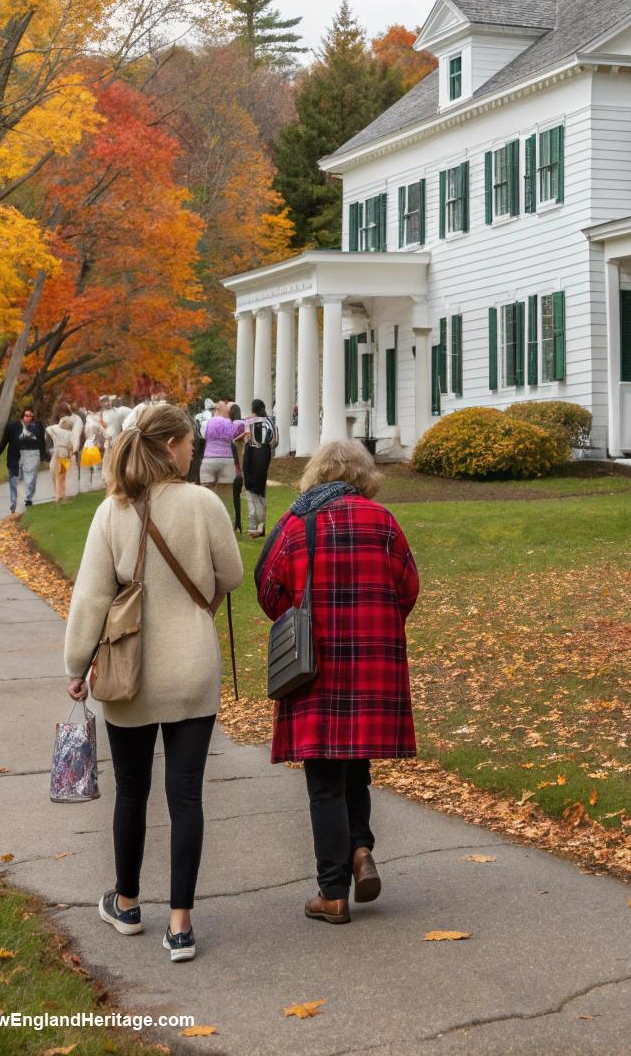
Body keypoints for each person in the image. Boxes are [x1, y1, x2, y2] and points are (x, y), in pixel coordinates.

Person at [63, 403, 243, 963]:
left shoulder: (112, 511)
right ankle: (181, 925)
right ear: (170, 447)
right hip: (192, 669)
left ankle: (127, 903)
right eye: (188, 443)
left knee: (132, 792)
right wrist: (199, 604)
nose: (193, 451)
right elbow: (232, 573)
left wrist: (77, 665)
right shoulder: (204, 504)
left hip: (130, 674)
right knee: (186, 795)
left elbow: (92, 596)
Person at [255, 440, 419, 926]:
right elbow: (407, 587)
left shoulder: (296, 523)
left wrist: (297, 615)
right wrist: (379, 621)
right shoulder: (383, 521)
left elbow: (268, 589)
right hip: (371, 658)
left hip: (315, 662)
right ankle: (360, 849)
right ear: (363, 475)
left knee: (324, 780)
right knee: (355, 767)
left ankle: (332, 894)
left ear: (316, 474)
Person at [0, 406, 45, 512]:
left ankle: (28, 499)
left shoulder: (37, 427)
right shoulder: (12, 427)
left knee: (30, 479)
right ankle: (14, 502)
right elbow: (4, 442)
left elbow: (41, 442)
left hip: (31, 457)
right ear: (22, 416)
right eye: (26, 415)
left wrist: (43, 455)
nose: (28, 418)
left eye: (31, 416)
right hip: (14, 457)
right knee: (14, 480)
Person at [199, 400, 244, 509]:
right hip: (227, 461)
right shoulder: (231, 424)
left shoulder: (207, 423)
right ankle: (226, 518)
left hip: (209, 460)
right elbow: (240, 430)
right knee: (226, 499)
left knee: (206, 495)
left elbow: (202, 435)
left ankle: (207, 517)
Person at [241, 400, 276, 538]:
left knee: (251, 490)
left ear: (253, 409)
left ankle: (253, 526)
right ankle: (261, 527)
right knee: (261, 491)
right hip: (264, 456)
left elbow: (246, 439)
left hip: (251, 456)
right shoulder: (271, 421)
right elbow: (274, 442)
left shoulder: (249, 421)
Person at [47, 414, 78, 502]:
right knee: (63, 475)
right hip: (66, 454)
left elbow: (48, 428)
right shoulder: (70, 433)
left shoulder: (57, 431)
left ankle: (57, 495)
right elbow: (71, 446)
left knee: (57, 474)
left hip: (58, 453)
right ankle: (62, 494)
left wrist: (57, 427)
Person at [228, 403, 248, 534]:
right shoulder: (245, 424)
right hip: (243, 464)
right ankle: (238, 522)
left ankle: (235, 522)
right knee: (237, 496)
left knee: (232, 496)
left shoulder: (231, 426)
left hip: (234, 465)